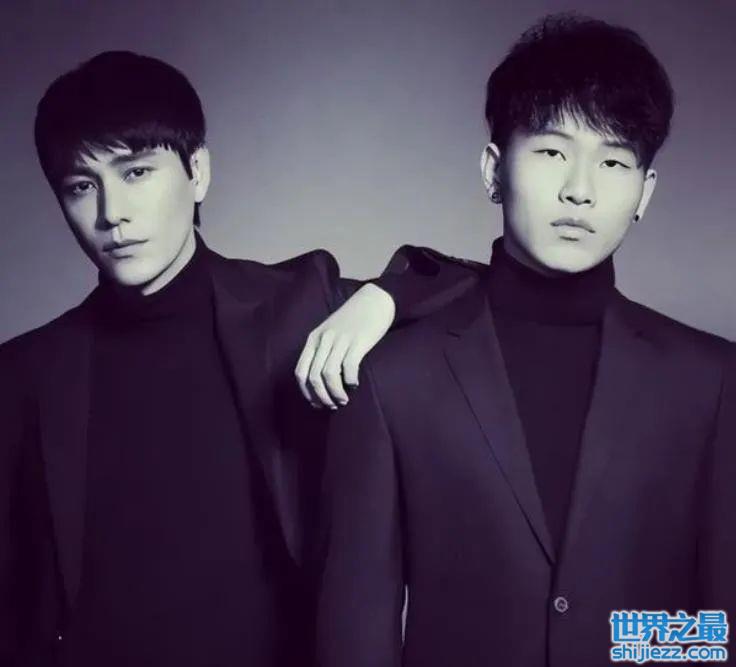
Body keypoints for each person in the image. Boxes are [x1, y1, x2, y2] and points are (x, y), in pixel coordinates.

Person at [0, 51, 471, 667]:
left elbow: (471, 283)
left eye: (136, 172)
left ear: (197, 172)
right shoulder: (24, 377)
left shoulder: (297, 305)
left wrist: (383, 298)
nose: (112, 213)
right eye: (82, 187)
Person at [313, 14, 736, 667]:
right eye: (551, 152)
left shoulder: (710, 380)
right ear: (493, 169)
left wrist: (625, 646)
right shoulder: (393, 379)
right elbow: (356, 632)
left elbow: (722, 628)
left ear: (645, 192)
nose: (580, 190)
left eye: (613, 161)